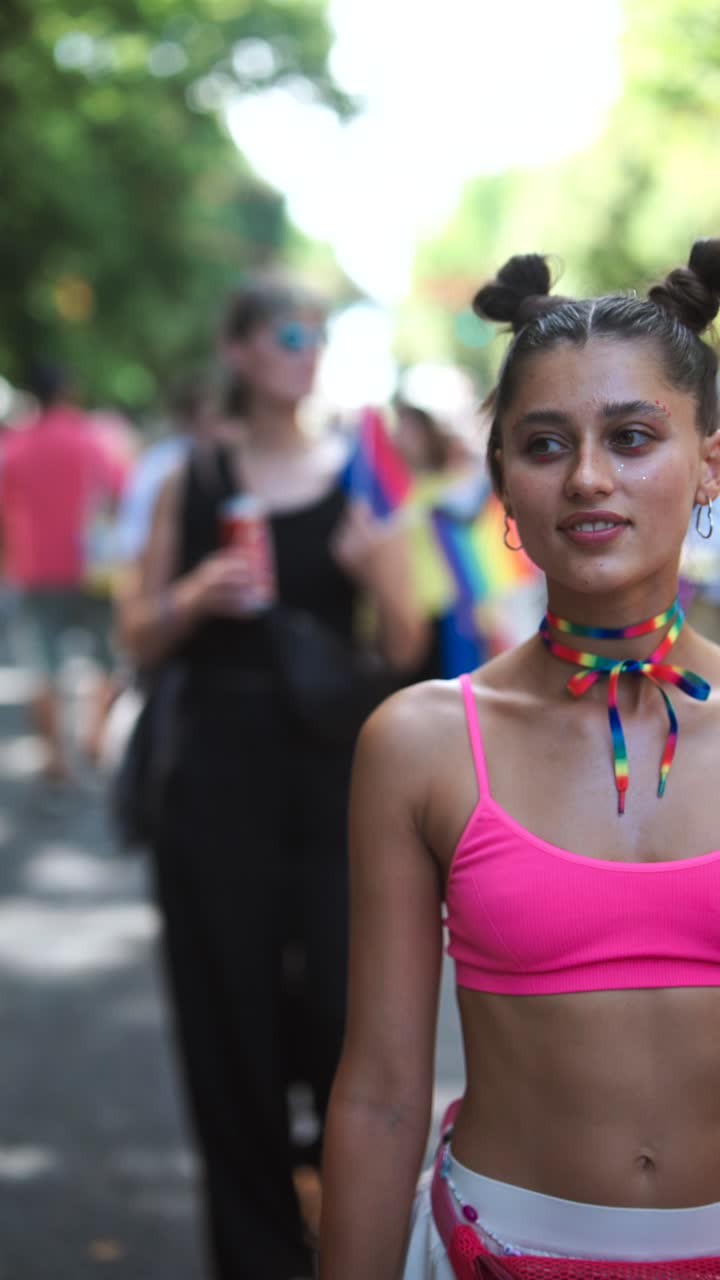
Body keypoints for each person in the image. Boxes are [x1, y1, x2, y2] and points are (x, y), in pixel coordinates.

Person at [320, 241, 720, 1277]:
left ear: (709, 463)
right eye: (545, 444)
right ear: (502, 475)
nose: (588, 476)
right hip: (490, 1253)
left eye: (633, 436)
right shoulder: (421, 743)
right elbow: (381, 1093)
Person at [117, 273, 428, 1280]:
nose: (307, 351)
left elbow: (407, 642)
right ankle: (254, 1253)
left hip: (337, 778)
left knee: (349, 1010)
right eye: (289, 335)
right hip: (215, 782)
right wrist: (195, 596)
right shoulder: (194, 475)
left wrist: (379, 575)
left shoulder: (364, 469)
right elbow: (137, 634)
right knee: (228, 1026)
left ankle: (350, 1231)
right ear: (239, 349)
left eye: (316, 334)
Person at [0, 361, 127, 779]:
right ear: (68, 390)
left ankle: (56, 758)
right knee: (104, 660)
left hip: (34, 569)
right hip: (95, 570)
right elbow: (122, 493)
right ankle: (95, 739)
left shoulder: (17, 445)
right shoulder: (93, 440)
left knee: (44, 666)